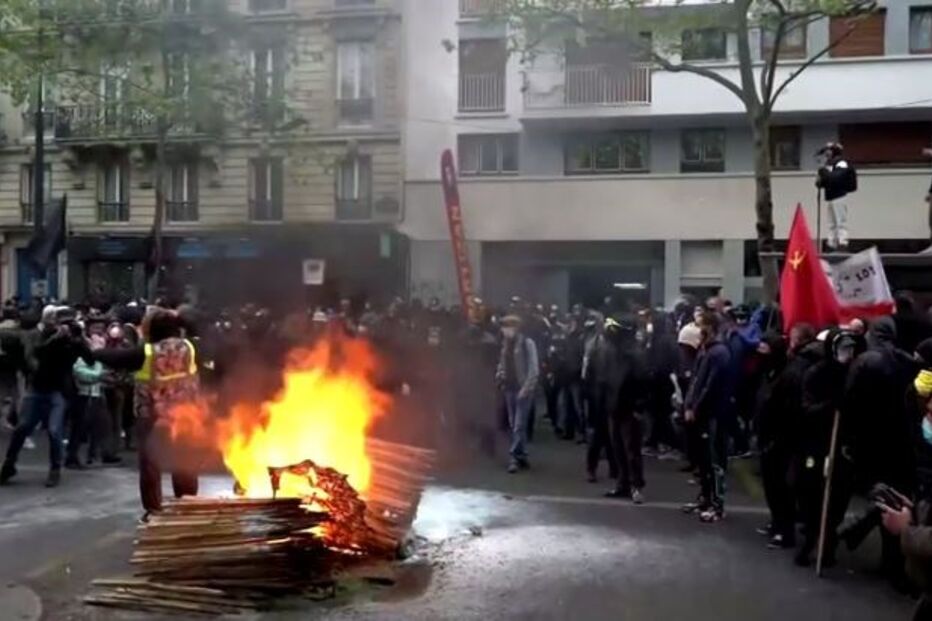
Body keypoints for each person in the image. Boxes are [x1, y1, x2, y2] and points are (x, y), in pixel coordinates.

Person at [94, 309, 200, 519]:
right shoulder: (189, 347)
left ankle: (154, 510)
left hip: (152, 417)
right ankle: (187, 506)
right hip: (185, 415)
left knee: (151, 465)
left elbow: (115, 359)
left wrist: (92, 352)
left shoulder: (147, 352)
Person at [0, 306, 92, 488]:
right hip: (38, 388)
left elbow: (90, 360)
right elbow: (37, 354)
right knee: (22, 428)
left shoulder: (75, 341)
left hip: (58, 391)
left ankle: (55, 469)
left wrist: (80, 340)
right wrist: (55, 339)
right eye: (62, 322)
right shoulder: (44, 336)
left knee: (55, 430)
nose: (66, 326)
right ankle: (9, 465)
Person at [795, 329, 862, 567]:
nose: (847, 354)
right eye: (843, 348)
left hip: (843, 447)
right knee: (812, 494)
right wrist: (831, 406)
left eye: (851, 349)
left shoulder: (855, 375)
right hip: (816, 445)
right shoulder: (815, 374)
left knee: (838, 497)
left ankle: (829, 542)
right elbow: (807, 409)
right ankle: (811, 540)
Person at [757, 323, 820, 549]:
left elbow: (783, 405)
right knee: (783, 485)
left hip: (782, 436)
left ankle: (784, 530)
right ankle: (779, 525)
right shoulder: (794, 366)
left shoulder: (796, 369)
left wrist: (773, 434)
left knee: (780, 485)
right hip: (787, 435)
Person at [683, 310, 732, 523]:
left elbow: (710, 385)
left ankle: (717, 505)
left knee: (715, 461)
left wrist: (695, 407)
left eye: (700, 324)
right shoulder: (705, 349)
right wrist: (688, 404)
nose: (696, 328)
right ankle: (705, 498)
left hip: (713, 414)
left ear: (710, 327)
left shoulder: (719, 352)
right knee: (703, 460)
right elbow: (696, 380)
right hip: (703, 413)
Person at [601, 315, 648, 504]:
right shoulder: (613, 352)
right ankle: (623, 484)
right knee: (618, 448)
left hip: (630, 409)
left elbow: (643, 383)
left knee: (632, 450)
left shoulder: (635, 354)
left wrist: (639, 406)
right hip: (615, 407)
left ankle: (636, 485)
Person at [496, 315, 539, 474]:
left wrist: (526, 389)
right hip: (509, 388)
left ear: (516, 327)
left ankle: (513, 457)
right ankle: (522, 455)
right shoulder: (506, 345)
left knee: (519, 424)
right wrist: (499, 377)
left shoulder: (527, 343)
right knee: (514, 423)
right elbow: (501, 364)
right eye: (504, 327)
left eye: (507, 327)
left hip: (523, 389)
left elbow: (534, 369)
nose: (505, 330)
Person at [815, 141, 857, 250]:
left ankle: (842, 242)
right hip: (831, 197)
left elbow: (835, 178)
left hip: (839, 196)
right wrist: (820, 181)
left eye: (828, 151)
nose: (826, 154)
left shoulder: (841, 163)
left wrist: (823, 171)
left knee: (840, 221)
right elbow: (827, 180)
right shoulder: (830, 165)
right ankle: (831, 243)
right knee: (831, 223)